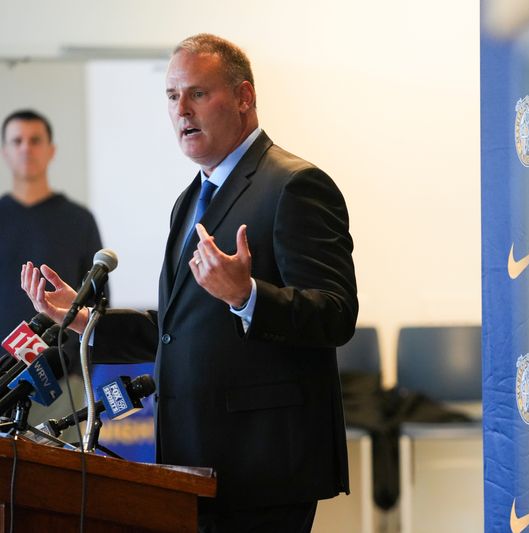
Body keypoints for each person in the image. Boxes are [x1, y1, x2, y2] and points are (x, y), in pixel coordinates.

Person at [21, 33, 358, 532]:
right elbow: (177, 327)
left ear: (244, 97)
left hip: (262, 464)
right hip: (195, 461)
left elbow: (335, 314)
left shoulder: (295, 185)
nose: (183, 110)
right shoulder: (191, 198)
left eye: (198, 94)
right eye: (172, 96)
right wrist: (85, 321)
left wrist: (247, 296)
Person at [1, 109, 104, 436]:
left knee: (64, 485)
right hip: (0, 386)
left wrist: (69, 364)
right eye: (17, 141)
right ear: (5, 151)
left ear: (51, 150)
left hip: (61, 387)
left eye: (35, 140)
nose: (26, 149)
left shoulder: (79, 220)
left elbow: (97, 303)